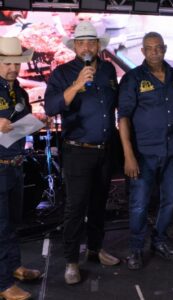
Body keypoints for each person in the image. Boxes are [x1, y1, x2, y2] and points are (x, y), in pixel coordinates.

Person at [44, 21, 120, 285]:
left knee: (100, 204)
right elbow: (52, 106)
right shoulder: (63, 73)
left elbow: (115, 106)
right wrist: (76, 85)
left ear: (98, 46)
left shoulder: (109, 69)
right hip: (78, 151)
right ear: (75, 46)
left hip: (105, 149)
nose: (86, 46)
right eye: (81, 42)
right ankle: (71, 261)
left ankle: (96, 249)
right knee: (75, 208)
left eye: (91, 42)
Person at [118, 32, 173, 270]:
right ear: (143, 51)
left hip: (171, 151)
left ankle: (159, 240)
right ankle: (136, 248)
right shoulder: (132, 78)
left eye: (158, 47)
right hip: (143, 154)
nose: (155, 52)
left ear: (165, 49)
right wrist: (128, 155)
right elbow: (123, 118)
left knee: (169, 200)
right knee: (139, 204)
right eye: (150, 48)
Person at [0, 37, 41, 300]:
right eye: (6, 63)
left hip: (15, 165)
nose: (12, 67)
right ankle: (3, 285)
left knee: (13, 223)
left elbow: (21, 123)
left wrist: (36, 122)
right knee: (0, 227)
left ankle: (14, 268)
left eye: (16, 62)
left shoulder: (21, 92)